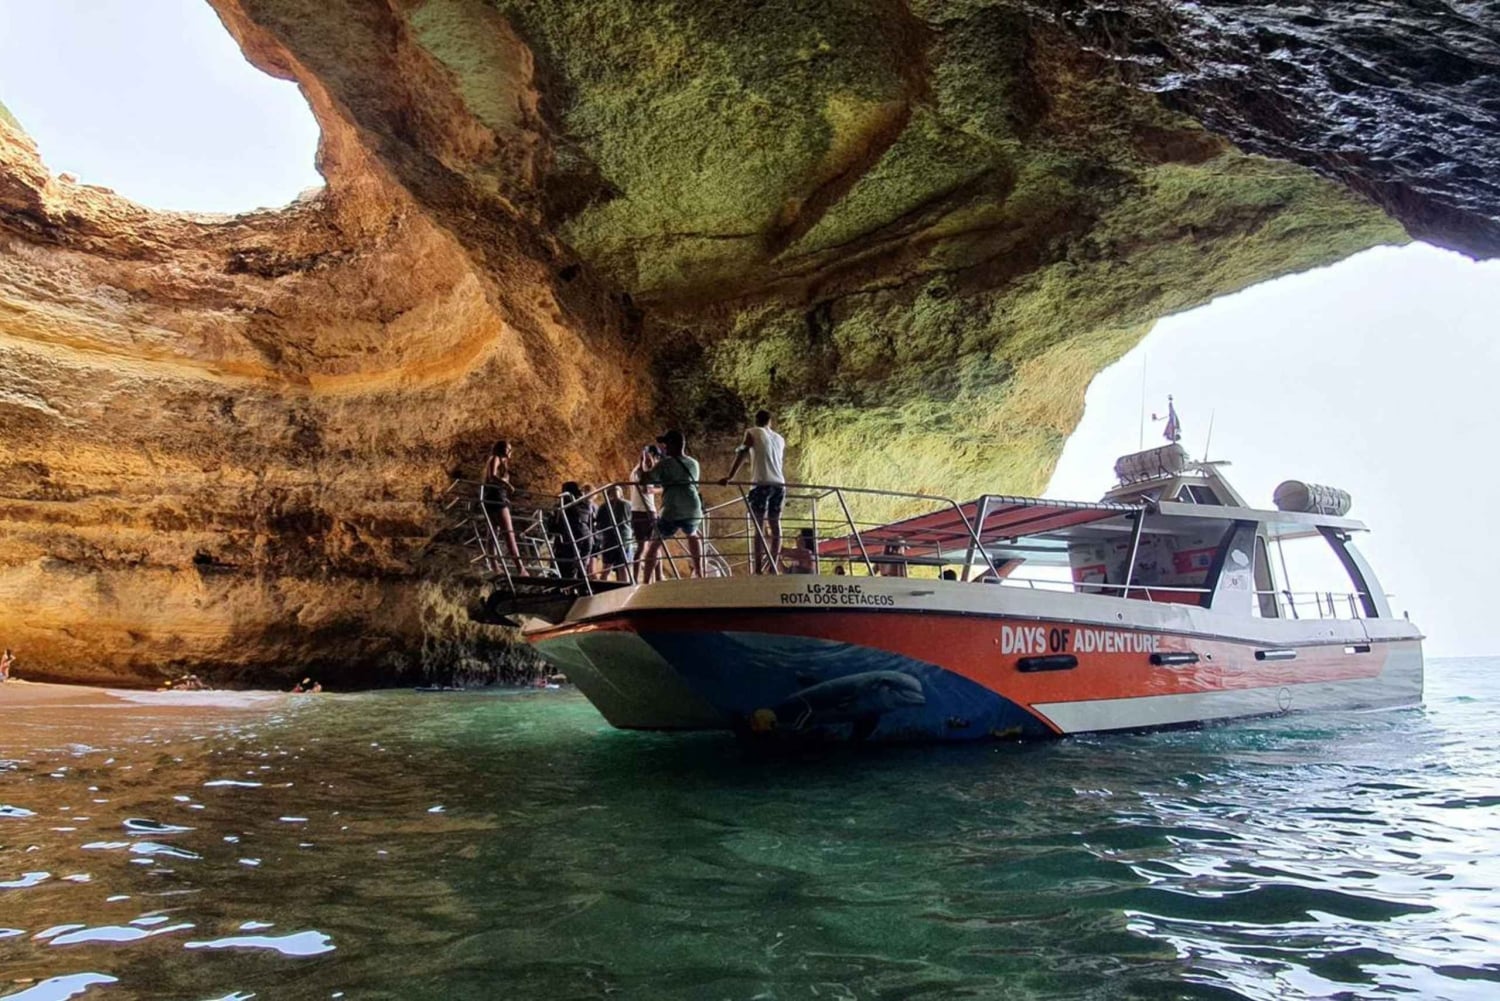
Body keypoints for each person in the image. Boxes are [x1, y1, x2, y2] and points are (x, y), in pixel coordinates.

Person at [719, 409, 786, 574]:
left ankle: (757, 569)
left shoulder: (752, 432)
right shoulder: (779, 439)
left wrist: (730, 476)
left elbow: (742, 453)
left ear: (756, 420)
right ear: (770, 421)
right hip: (779, 484)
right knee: (775, 525)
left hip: (761, 483)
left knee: (759, 526)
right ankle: (773, 566)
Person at [639, 429, 704, 579]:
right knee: (693, 535)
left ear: (674, 445)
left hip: (672, 508)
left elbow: (645, 481)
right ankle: (700, 571)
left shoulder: (665, 464)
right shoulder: (694, 463)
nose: (665, 448)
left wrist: (646, 465)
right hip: (692, 507)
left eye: (667, 444)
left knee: (655, 542)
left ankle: (646, 580)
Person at [482, 440, 525, 573]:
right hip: (496, 500)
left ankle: (494, 565)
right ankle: (520, 568)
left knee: (494, 533)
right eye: (507, 448)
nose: (510, 451)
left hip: (494, 498)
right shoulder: (495, 458)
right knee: (508, 533)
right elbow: (492, 476)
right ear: (500, 449)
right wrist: (507, 485)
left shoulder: (502, 463)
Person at [547, 481, 594, 579]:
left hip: (571, 537)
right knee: (582, 567)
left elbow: (555, 524)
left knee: (567, 567)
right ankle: (583, 588)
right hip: (587, 537)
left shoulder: (563, 504)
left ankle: (567, 589)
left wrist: (550, 534)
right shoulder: (585, 503)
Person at [629, 445, 662, 582]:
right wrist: (661, 489)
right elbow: (646, 490)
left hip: (637, 511)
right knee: (652, 546)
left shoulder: (635, 471)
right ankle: (652, 578)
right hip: (647, 511)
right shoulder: (643, 471)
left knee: (646, 546)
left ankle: (639, 578)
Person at [595, 484, 636, 582]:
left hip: (609, 540)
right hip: (625, 538)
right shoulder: (629, 505)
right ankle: (624, 589)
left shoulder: (604, 506)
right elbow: (634, 522)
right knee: (623, 568)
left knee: (606, 568)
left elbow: (599, 524)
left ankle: (601, 588)